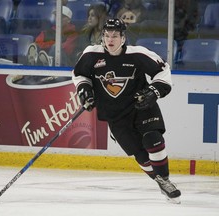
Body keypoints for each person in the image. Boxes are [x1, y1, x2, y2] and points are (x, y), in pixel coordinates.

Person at [72, 18, 181, 204]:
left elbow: (163, 72)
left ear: (123, 38)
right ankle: (159, 181)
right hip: (115, 115)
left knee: (152, 138)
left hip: (141, 106)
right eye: (106, 35)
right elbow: (80, 74)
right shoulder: (91, 54)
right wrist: (84, 90)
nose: (110, 39)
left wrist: (153, 92)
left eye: (115, 35)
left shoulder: (137, 54)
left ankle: (165, 180)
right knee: (140, 154)